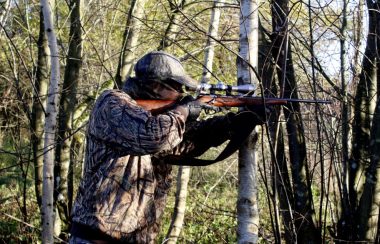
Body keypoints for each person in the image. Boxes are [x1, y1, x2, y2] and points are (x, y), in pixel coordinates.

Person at [69, 51, 263, 243]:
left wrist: (234, 123)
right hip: (96, 238)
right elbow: (154, 137)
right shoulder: (112, 103)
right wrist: (184, 110)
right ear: (155, 85)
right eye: (177, 88)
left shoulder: (157, 119)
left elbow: (185, 145)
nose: (181, 95)